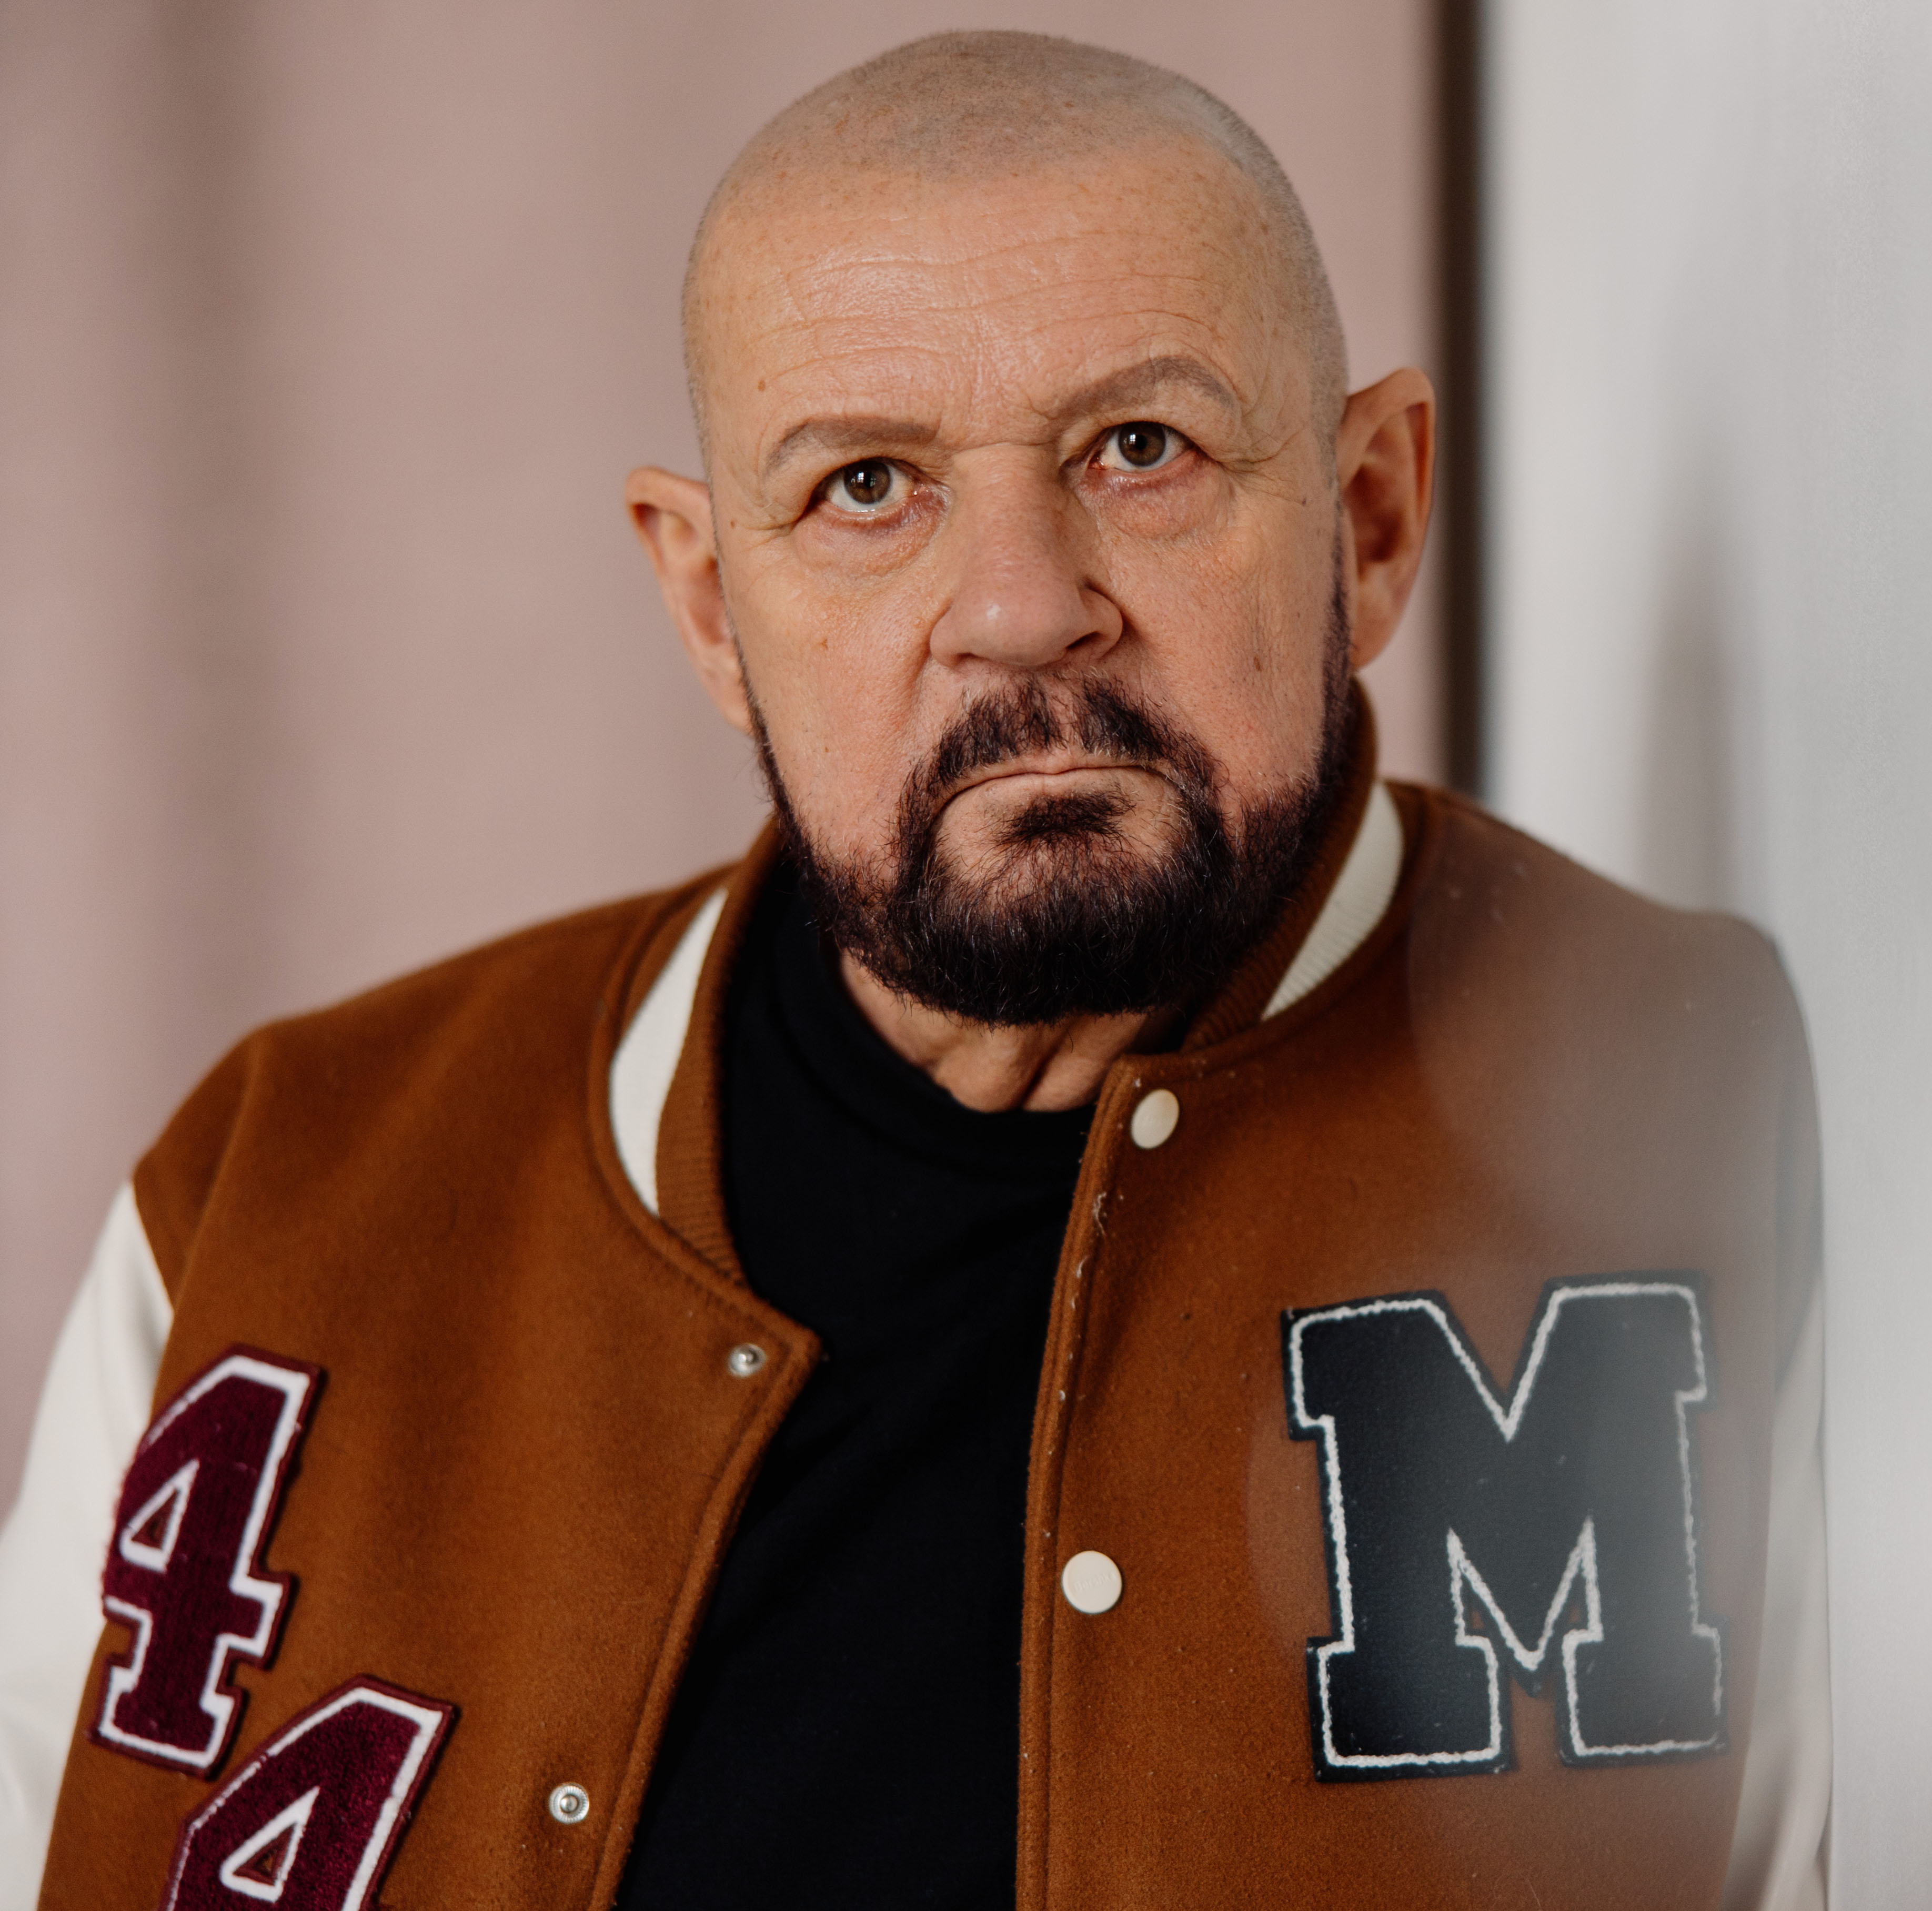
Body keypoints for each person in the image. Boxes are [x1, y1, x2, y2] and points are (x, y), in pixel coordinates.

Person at [0, 32, 1826, 1910]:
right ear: (711, 605)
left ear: (1369, 516)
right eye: (866, 484)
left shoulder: (1726, 1117)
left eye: (1142, 449)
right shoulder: (270, 1194)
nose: (1021, 608)